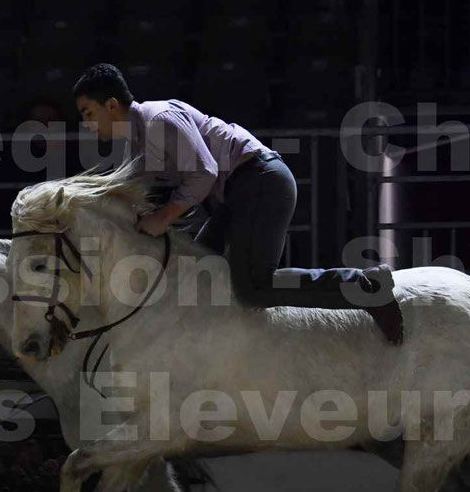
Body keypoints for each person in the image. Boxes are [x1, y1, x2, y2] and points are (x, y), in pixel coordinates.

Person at [71, 63, 402, 342]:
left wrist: (163, 218)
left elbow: (203, 174)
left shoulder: (159, 120)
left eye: (88, 113)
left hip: (260, 182)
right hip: (238, 193)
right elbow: (133, 189)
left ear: (111, 104)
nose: (86, 124)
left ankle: (366, 287)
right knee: (195, 274)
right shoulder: (139, 142)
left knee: (253, 288)